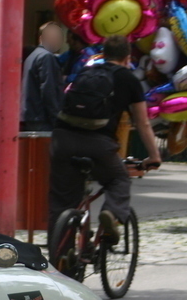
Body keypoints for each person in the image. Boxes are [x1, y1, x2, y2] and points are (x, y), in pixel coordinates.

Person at [48, 34, 162, 243]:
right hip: (98, 143)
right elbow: (143, 123)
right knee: (118, 179)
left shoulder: (86, 72)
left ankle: (59, 255)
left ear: (104, 54)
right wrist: (153, 156)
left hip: (62, 139)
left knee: (61, 201)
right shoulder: (129, 79)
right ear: (128, 57)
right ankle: (111, 214)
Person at [21, 21, 66, 131]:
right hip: (42, 116)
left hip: (32, 114)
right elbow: (48, 89)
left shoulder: (34, 55)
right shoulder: (46, 57)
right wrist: (56, 117)